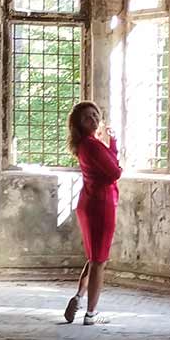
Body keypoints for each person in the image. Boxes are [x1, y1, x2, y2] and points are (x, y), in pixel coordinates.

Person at [64, 102, 122, 326]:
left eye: (95, 115)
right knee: (99, 261)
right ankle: (91, 314)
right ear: (79, 123)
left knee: (93, 257)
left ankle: (78, 298)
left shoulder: (85, 144)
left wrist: (112, 143)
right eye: (87, 117)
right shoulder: (93, 146)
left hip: (88, 203)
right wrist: (114, 149)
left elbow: (109, 166)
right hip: (102, 205)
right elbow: (115, 172)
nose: (94, 120)